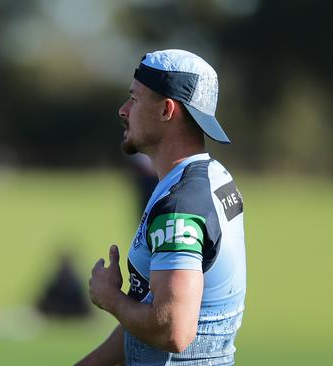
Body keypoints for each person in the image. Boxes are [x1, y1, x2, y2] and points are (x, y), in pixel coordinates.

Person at [77, 49, 246, 365]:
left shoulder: (180, 206)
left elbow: (172, 330)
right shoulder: (209, 176)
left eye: (135, 99)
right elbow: (150, 314)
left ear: (167, 110)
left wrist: (110, 298)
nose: (123, 110)